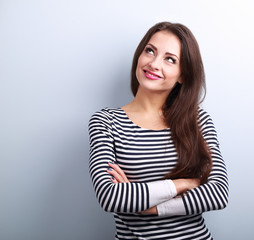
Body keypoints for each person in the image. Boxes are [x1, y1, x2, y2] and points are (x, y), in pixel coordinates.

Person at [88, 21, 228, 240]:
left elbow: (218, 193)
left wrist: (149, 207)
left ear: (183, 75)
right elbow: (110, 197)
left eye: (170, 59)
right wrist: (184, 184)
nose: (154, 63)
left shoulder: (197, 121)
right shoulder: (106, 122)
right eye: (150, 51)